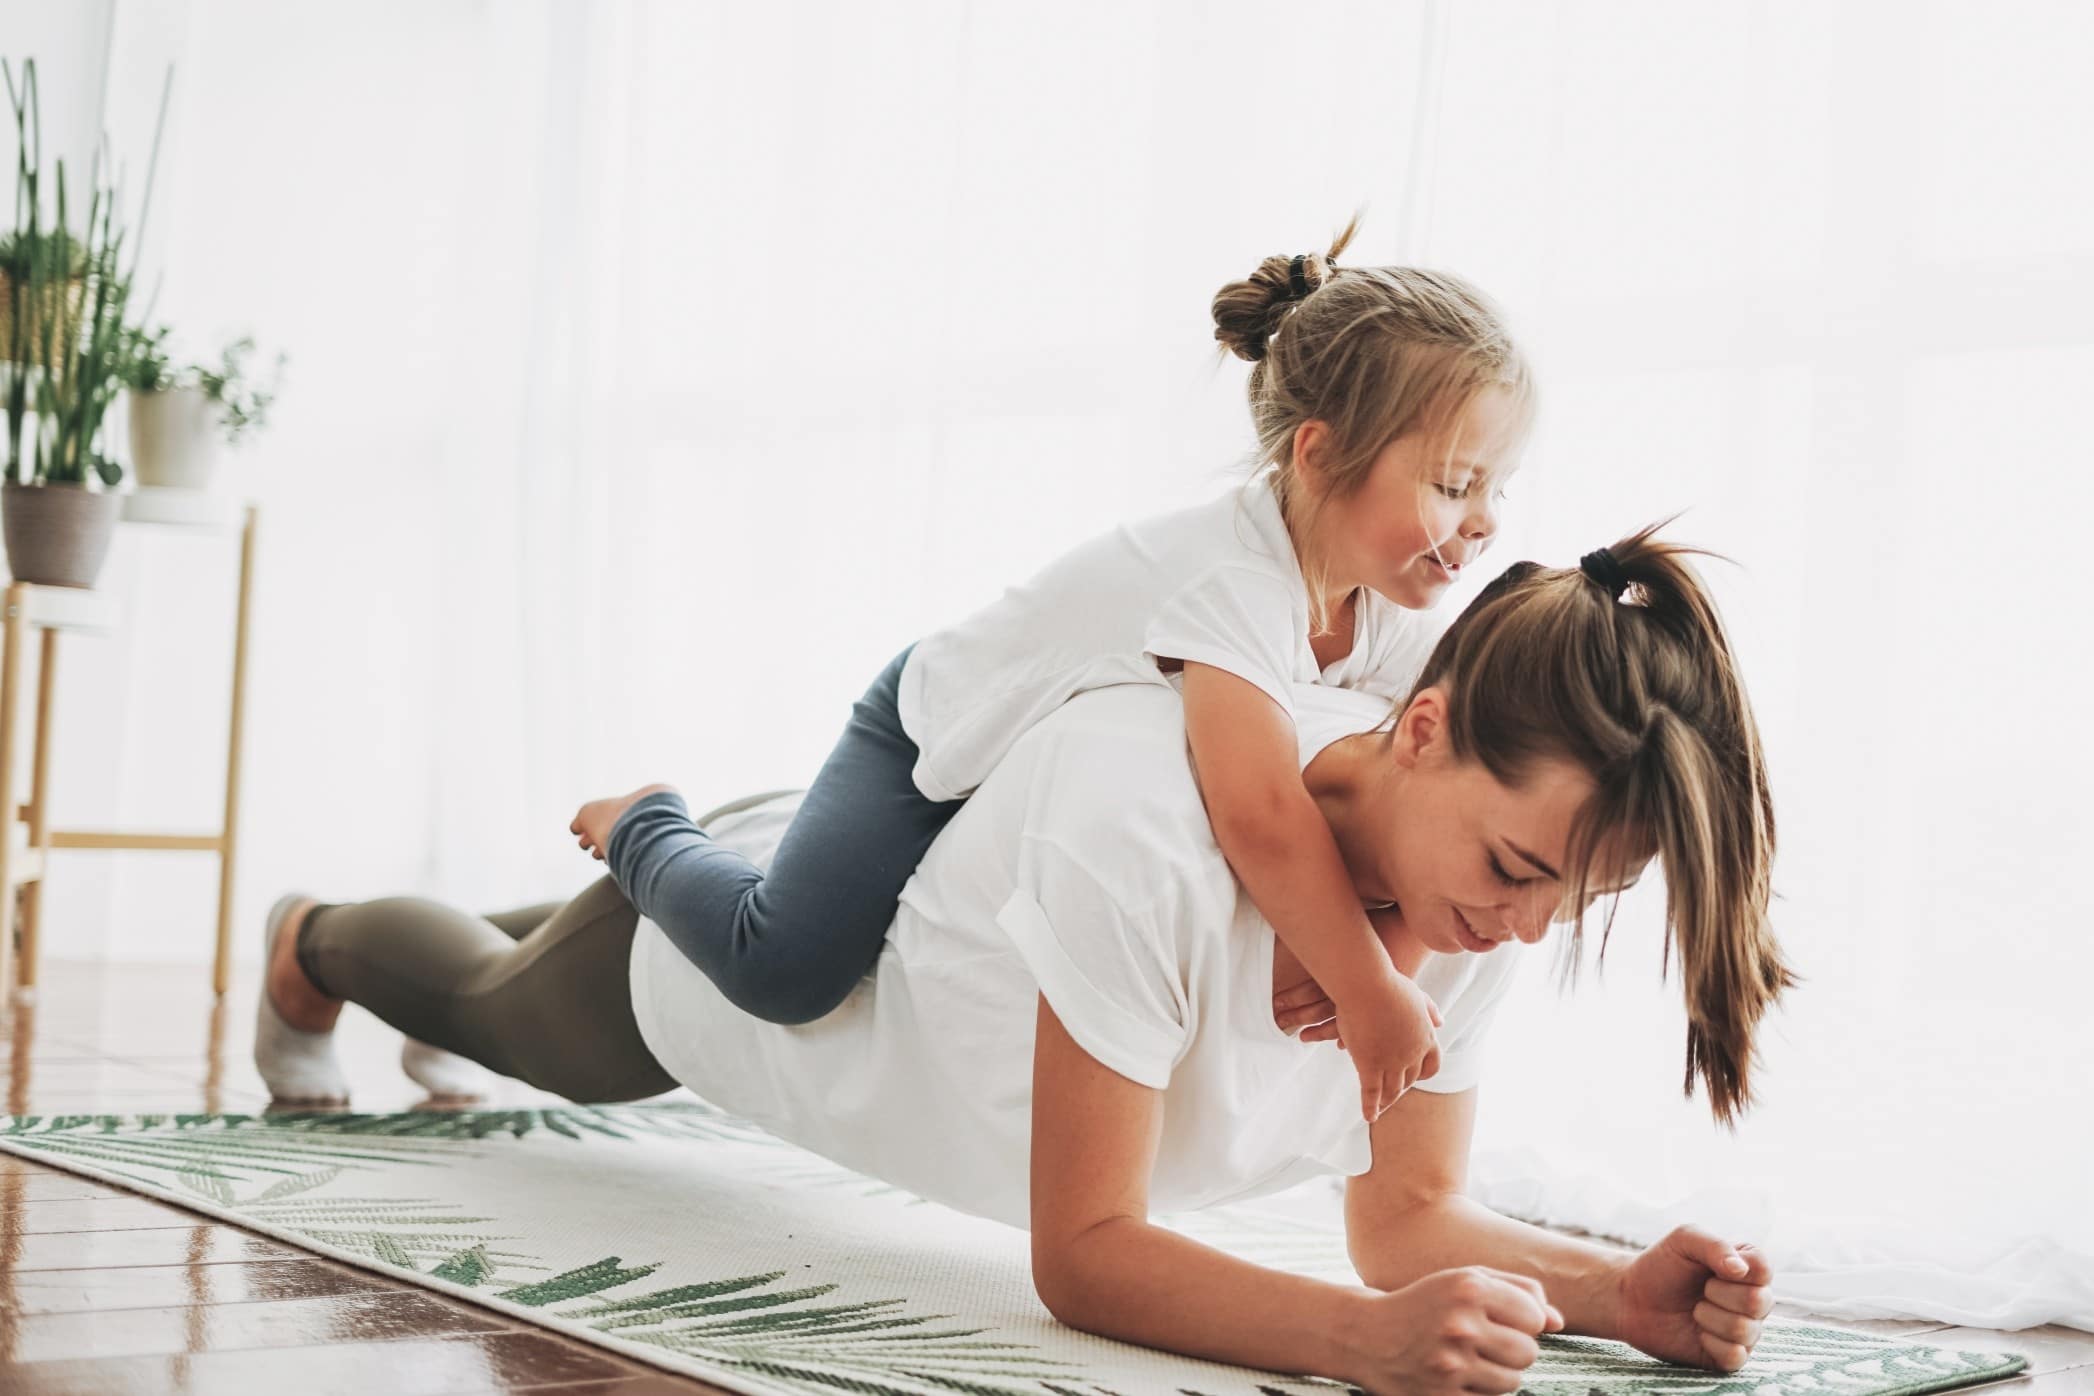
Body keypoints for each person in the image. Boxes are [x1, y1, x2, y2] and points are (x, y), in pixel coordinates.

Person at [254, 526, 1794, 1394]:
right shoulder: (1145, 811)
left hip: (872, 897)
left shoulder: (1469, 907)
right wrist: (1356, 1348)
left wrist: (1610, 1296)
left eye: (1567, 906)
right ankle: (309, 939)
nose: (1521, 929)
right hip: (756, 989)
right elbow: (1087, 1252)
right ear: (1421, 725)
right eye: (1520, 872)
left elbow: (1406, 1221)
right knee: (500, 1011)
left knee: (528, 947)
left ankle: (577, 880)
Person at [580, 214, 1535, 1125]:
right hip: (932, 728)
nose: (1485, 521)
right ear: (1320, 459)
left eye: (1498, 487)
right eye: (1456, 485)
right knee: (785, 972)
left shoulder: (1387, 613)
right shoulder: (1238, 580)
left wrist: (1389, 957)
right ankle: (647, 825)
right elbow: (1261, 814)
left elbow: (1420, 794)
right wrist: (1368, 986)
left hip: (1029, 777)